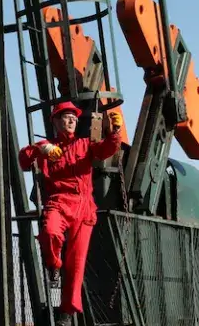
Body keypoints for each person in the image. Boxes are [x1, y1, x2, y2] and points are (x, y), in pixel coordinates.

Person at [18, 100, 123, 324]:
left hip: (84, 208)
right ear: (55, 121)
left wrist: (115, 132)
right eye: (66, 117)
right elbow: (24, 161)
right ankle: (54, 265)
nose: (71, 120)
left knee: (76, 264)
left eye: (74, 118)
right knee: (49, 233)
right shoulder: (48, 147)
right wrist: (39, 148)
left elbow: (107, 149)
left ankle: (67, 312)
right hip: (59, 202)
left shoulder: (86, 144)